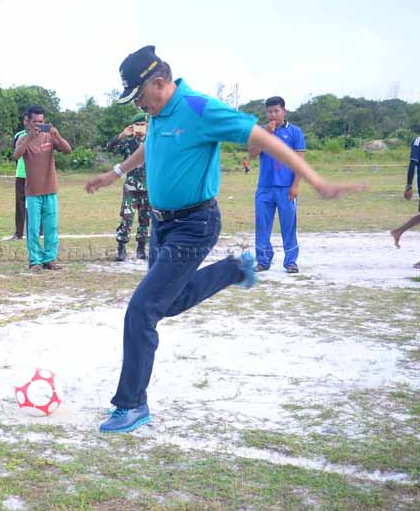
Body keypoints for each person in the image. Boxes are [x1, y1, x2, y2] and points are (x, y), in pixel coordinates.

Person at [85, 45, 363, 433]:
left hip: (194, 224)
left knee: (141, 310)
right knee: (169, 302)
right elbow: (152, 146)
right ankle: (235, 268)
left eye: (139, 96)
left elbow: (267, 140)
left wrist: (316, 180)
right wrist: (115, 173)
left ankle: (132, 405)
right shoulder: (160, 114)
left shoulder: (200, 109)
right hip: (165, 225)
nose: (139, 105)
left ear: (160, 83)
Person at [247, 96, 306, 273]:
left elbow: (300, 162)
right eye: (269, 111)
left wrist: (295, 186)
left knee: (288, 225)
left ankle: (290, 262)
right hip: (265, 187)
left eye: (276, 111)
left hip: (286, 188)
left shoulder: (295, 132)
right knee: (262, 225)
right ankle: (263, 260)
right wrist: (266, 134)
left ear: (284, 111)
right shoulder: (260, 131)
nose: (272, 115)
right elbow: (252, 154)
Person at [13, 105, 72, 272]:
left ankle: (50, 259)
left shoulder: (49, 137)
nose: (38, 124)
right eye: (35, 122)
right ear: (28, 122)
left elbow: (68, 150)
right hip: (32, 192)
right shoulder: (23, 138)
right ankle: (35, 261)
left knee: (51, 227)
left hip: (50, 189)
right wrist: (30, 137)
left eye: (41, 121)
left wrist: (57, 136)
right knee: (32, 228)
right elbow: (16, 155)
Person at [106, 113, 151, 261]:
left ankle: (141, 248)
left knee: (145, 219)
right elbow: (110, 147)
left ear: (147, 125)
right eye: (137, 124)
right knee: (127, 217)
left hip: (148, 187)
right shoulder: (128, 143)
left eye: (142, 124)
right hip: (131, 188)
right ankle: (122, 248)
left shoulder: (153, 141)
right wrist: (122, 135)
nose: (140, 127)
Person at [389, 135, 420, 265]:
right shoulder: (418, 141)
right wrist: (408, 185)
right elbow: (412, 164)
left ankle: (398, 231)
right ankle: (398, 231)